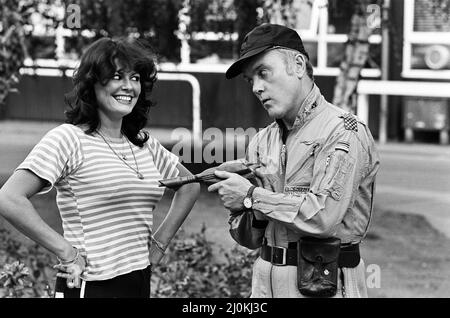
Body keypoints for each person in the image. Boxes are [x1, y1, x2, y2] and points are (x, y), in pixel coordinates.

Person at [0, 37, 200, 298]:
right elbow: (9, 198)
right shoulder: (68, 139)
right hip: (90, 285)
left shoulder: (144, 144)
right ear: (92, 83)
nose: (128, 86)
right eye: (117, 76)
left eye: (135, 78)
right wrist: (67, 252)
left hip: (138, 280)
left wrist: (159, 245)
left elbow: (190, 185)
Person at [208, 23, 380, 298]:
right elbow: (249, 240)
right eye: (250, 80)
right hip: (263, 287)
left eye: (263, 73)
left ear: (298, 65)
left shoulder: (344, 132)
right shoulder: (262, 141)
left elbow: (323, 218)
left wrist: (252, 196)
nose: (256, 87)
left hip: (323, 286)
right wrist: (242, 201)